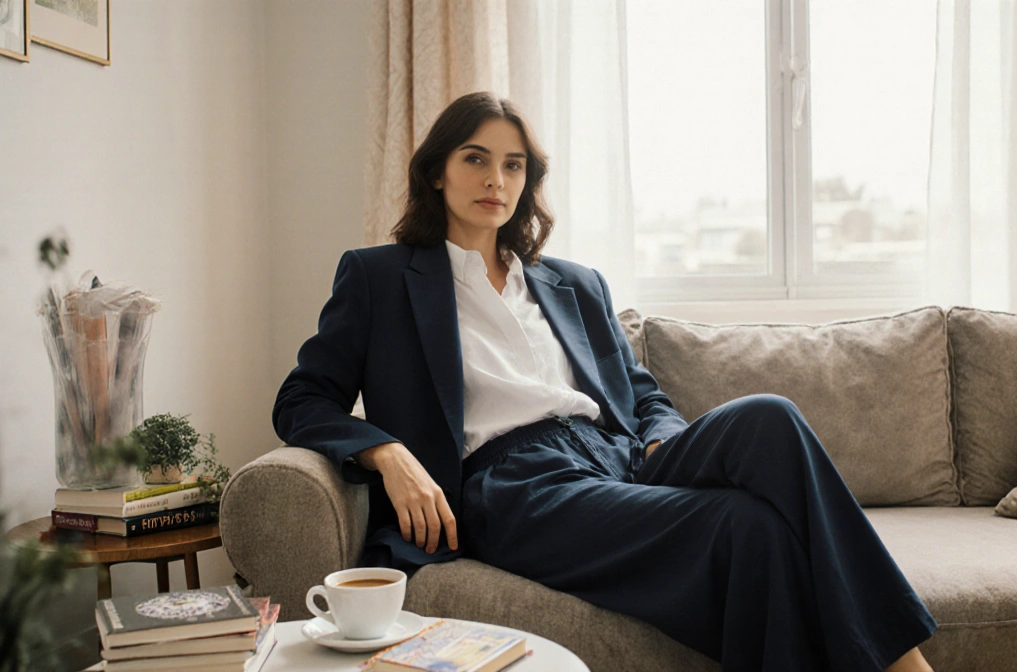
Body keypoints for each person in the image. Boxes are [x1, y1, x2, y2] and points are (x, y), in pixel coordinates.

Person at [274, 91, 937, 672]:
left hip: (619, 458)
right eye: (476, 158)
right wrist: (387, 453)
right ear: (437, 171)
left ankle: (903, 660)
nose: (496, 179)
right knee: (748, 527)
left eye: (514, 165)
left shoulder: (575, 283)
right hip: (518, 484)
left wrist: (660, 439)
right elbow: (302, 398)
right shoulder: (380, 277)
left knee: (772, 415)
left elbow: (642, 394)